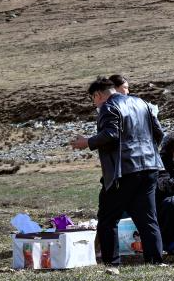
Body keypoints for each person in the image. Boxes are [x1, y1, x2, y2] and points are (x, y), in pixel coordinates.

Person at [70, 77, 165, 266]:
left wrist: (87, 142)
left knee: (107, 218)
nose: (95, 104)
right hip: (150, 166)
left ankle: (112, 262)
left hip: (124, 170)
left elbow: (111, 134)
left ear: (98, 95)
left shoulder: (108, 107)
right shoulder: (142, 103)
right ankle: (155, 260)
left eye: (93, 99)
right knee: (147, 217)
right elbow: (159, 133)